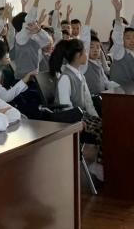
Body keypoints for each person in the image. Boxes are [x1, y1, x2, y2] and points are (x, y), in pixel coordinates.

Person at [49, 39, 103, 180]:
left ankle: (100, 165)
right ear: (78, 55)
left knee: (108, 126)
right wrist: (79, 122)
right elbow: (66, 108)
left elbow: (88, 102)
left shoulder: (80, 76)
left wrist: (96, 117)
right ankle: (99, 167)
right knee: (103, 129)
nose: (87, 54)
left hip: (82, 116)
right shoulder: (66, 78)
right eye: (85, 51)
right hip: (70, 120)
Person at [109, 0, 134, 84]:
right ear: (122, 40)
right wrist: (117, 12)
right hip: (119, 91)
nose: (132, 40)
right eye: (127, 38)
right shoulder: (120, 53)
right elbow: (117, 34)